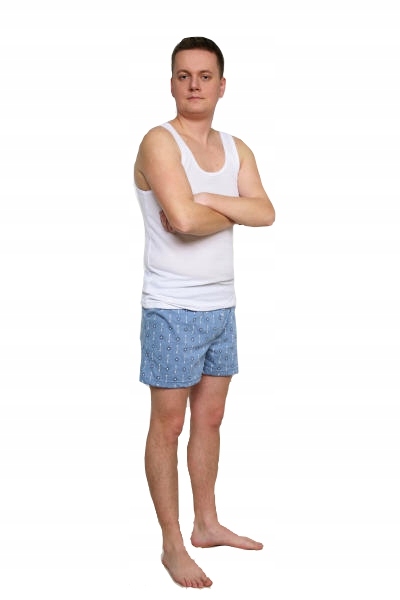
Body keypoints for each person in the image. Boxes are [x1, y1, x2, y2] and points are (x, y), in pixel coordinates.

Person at [133, 36, 275, 588]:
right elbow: (184, 223)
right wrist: (234, 209)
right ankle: (171, 543)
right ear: (172, 83)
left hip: (222, 305)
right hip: (172, 307)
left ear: (221, 85)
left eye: (204, 76)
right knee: (168, 426)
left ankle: (207, 524)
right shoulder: (159, 142)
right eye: (183, 75)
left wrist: (208, 200)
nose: (194, 85)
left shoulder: (238, 148)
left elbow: (266, 212)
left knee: (210, 420)